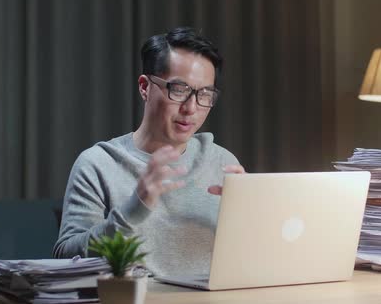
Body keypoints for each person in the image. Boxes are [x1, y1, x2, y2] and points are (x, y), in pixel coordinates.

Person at [53, 27, 244, 277]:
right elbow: (66, 257)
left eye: (204, 94)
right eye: (178, 89)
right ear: (145, 87)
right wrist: (133, 210)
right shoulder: (98, 164)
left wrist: (249, 219)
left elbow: (248, 263)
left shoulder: (222, 162)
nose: (191, 108)